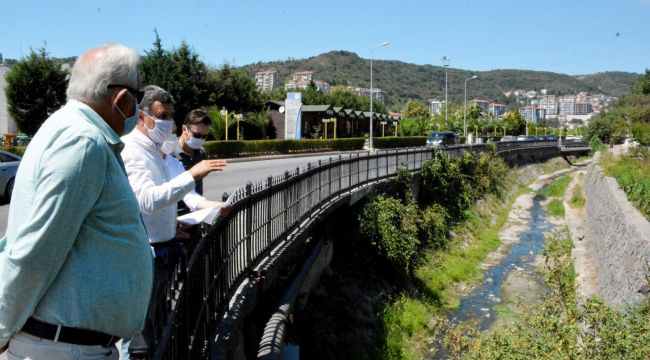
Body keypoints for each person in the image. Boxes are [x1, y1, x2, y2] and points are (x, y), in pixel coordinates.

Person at [0, 44, 152, 359]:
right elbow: (35, 252)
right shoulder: (83, 143)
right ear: (121, 99)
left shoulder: (74, 132)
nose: (138, 107)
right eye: (138, 97)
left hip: (68, 345)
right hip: (64, 348)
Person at [119, 86, 226, 359]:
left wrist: (211, 208)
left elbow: (176, 198)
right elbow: (146, 200)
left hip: (162, 248)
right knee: (135, 335)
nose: (168, 122)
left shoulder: (155, 150)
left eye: (170, 115)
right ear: (142, 117)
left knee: (151, 326)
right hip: (146, 254)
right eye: (161, 115)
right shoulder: (134, 150)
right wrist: (191, 175)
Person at [178, 109, 213, 195]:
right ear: (184, 129)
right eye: (197, 135)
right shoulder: (169, 153)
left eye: (205, 136)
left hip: (199, 206)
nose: (200, 139)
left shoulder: (201, 153)